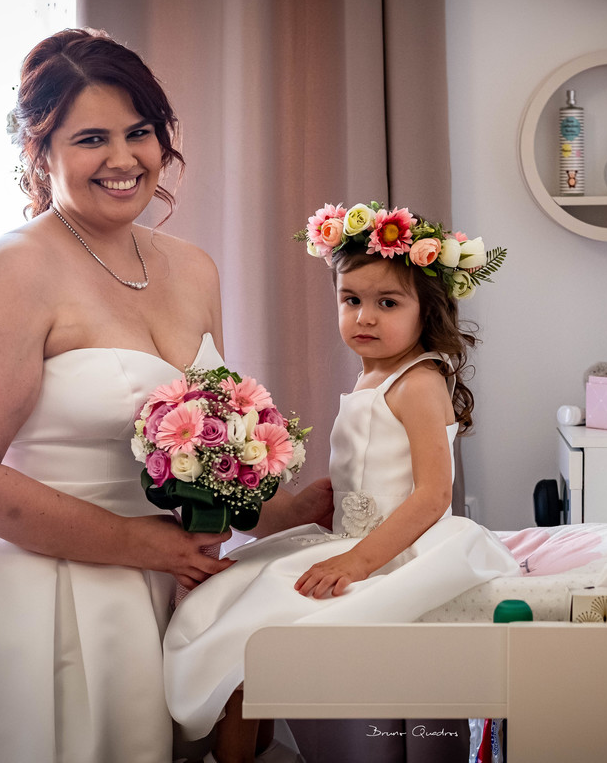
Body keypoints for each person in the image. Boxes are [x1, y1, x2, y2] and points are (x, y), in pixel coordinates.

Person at [0, 28, 331, 763]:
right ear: (39, 152)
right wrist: (139, 544)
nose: (123, 158)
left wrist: (288, 512)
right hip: (45, 601)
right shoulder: (15, 269)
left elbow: (204, 455)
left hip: (168, 594)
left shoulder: (193, 268)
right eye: (91, 139)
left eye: (139, 132)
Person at [163, 202, 520, 763]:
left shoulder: (419, 381)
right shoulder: (372, 374)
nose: (365, 318)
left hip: (394, 551)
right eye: (351, 300)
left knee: (246, 635)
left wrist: (358, 561)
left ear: (427, 310)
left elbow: (433, 494)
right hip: (350, 537)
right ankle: (253, 749)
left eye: (387, 303)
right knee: (227, 604)